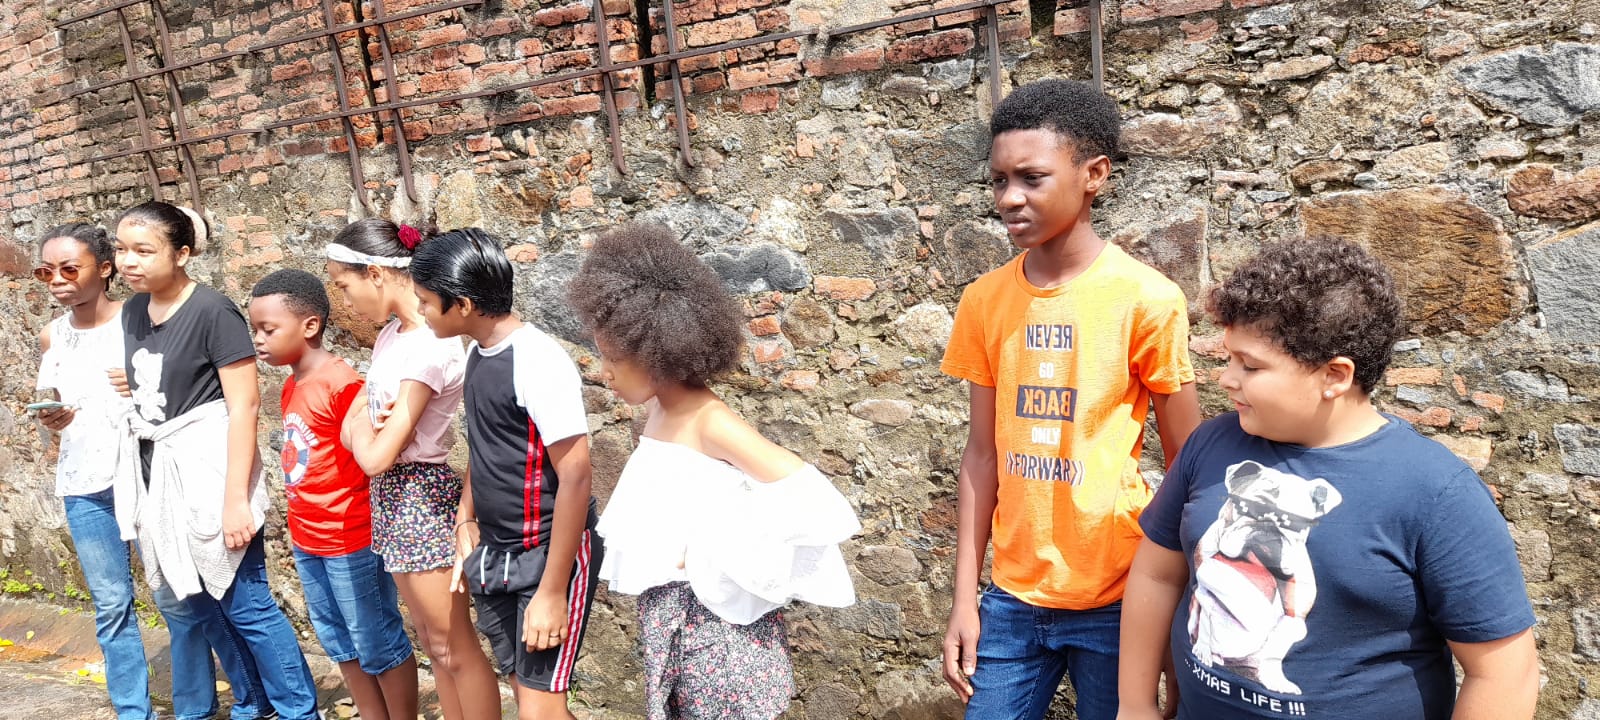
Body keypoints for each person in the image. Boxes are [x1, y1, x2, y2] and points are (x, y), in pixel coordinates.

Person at [1118, 238, 1539, 720]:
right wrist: (1135, 703)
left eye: (1250, 365)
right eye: (1229, 358)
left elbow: (1504, 672)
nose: (1226, 378)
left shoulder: (1435, 492)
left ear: (1335, 376)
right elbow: (1157, 573)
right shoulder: (1211, 445)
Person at [938, 78, 1203, 720]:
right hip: (1011, 598)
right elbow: (981, 456)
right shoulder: (983, 301)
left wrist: (1178, 609)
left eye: (1032, 178)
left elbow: (1191, 466)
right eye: (999, 180)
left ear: (1094, 175)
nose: (1009, 198)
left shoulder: (1147, 299)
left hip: (1119, 594)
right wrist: (965, 598)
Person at [570, 222, 861, 720]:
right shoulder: (660, 412)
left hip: (720, 637)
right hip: (676, 628)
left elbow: (815, 502)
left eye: (613, 357)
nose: (604, 372)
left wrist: (714, 549)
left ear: (657, 350)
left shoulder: (711, 421)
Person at [32, 223, 271, 720]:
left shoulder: (138, 318)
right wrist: (52, 419)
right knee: (111, 606)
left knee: (179, 598)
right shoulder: (51, 335)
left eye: (69, 269)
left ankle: (196, 708)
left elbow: (179, 389)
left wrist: (137, 383)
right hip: (82, 483)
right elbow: (54, 407)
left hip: (143, 476)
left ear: (104, 268)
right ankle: (132, 712)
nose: (57, 280)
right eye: (45, 272)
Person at [109, 200, 319, 720]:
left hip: (209, 472)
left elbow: (243, 405)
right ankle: (253, 703)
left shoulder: (212, 310)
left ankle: (298, 710)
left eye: (143, 250)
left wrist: (235, 500)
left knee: (246, 604)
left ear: (182, 254)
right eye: (121, 249)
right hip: (158, 474)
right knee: (199, 604)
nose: (128, 261)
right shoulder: (133, 311)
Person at [409, 228, 601, 720]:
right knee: (527, 692)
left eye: (426, 301)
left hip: (547, 554)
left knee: (539, 708)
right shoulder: (477, 353)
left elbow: (576, 475)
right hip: (496, 552)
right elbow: (487, 446)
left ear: (463, 305)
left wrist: (552, 591)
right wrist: (464, 517)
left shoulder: (537, 360)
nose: (420, 311)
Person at [324, 219, 500, 720]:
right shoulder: (391, 336)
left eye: (345, 285)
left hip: (419, 494)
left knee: (453, 644)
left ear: (377, 273)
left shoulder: (429, 345)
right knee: (432, 641)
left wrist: (362, 428)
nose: (345, 301)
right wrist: (364, 427)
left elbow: (374, 455)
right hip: (396, 497)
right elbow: (351, 429)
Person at [248, 269, 420, 720]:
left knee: (377, 640)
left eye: (268, 329)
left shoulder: (343, 384)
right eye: (255, 329)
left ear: (309, 326)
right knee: (338, 640)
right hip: (308, 538)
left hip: (350, 538)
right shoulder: (292, 385)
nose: (258, 339)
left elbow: (370, 451)